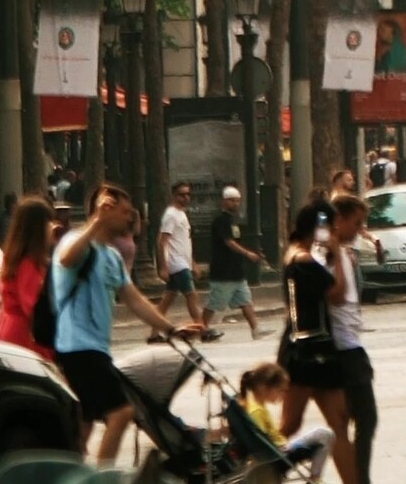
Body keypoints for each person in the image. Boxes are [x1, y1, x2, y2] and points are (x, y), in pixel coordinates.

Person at [53, 184, 200, 458]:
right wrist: (96, 220)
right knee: (121, 413)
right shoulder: (77, 242)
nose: (129, 218)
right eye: (122, 212)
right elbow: (65, 259)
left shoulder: (111, 257)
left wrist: (170, 328)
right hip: (77, 348)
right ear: (104, 211)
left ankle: (70, 481)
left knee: (83, 426)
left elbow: (134, 299)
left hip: (95, 348)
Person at [279, 205, 360, 484]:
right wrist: (336, 253)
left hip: (315, 348)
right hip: (307, 351)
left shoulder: (300, 256)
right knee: (289, 425)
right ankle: (253, 472)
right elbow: (336, 294)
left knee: (339, 422)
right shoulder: (302, 260)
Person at [327, 194, 380, 484]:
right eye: (356, 224)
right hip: (343, 349)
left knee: (347, 421)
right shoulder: (329, 254)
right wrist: (336, 255)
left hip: (349, 343)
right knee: (364, 418)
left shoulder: (344, 252)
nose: (360, 230)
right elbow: (334, 295)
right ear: (340, 220)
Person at [238, 362, 336, 482]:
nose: (283, 395)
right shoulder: (256, 411)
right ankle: (315, 480)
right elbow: (260, 444)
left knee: (322, 435)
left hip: (279, 448)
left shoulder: (251, 405)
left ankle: (315, 479)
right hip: (280, 452)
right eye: (280, 390)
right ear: (264, 388)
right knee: (326, 434)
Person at [0, 196, 56, 359]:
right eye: (49, 223)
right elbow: (34, 307)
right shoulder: (29, 264)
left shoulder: (15, 258)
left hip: (8, 330)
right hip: (25, 338)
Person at [210, 186, 266, 339]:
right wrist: (247, 253)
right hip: (223, 270)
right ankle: (202, 329)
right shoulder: (220, 221)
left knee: (245, 300)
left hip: (236, 270)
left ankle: (256, 329)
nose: (235, 204)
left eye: (237, 201)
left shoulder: (233, 221)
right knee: (214, 304)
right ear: (223, 201)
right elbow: (229, 242)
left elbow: (236, 241)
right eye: (231, 201)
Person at [158, 182, 210, 337]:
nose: (186, 197)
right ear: (174, 195)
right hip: (176, 263)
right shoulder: (171, 215)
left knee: (167, 299)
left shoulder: (181, 214)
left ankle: (154, 332)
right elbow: (162, 241)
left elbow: (185, 242)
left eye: (188, 194)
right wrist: (163, 266)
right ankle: (203, 330)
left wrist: (192, 263)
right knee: (191, 295)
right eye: (182, 194)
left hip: (182, 261)